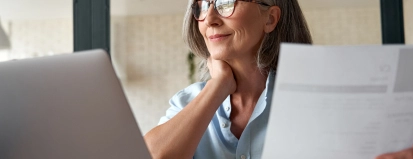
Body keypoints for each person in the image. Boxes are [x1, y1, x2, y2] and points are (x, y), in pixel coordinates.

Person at [144, 0, 413, 159]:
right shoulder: (186, 102)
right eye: (201, 5)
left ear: (270, 18)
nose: (209, 19)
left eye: (227, 2)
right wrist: (217, 87)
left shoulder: (320, 97)